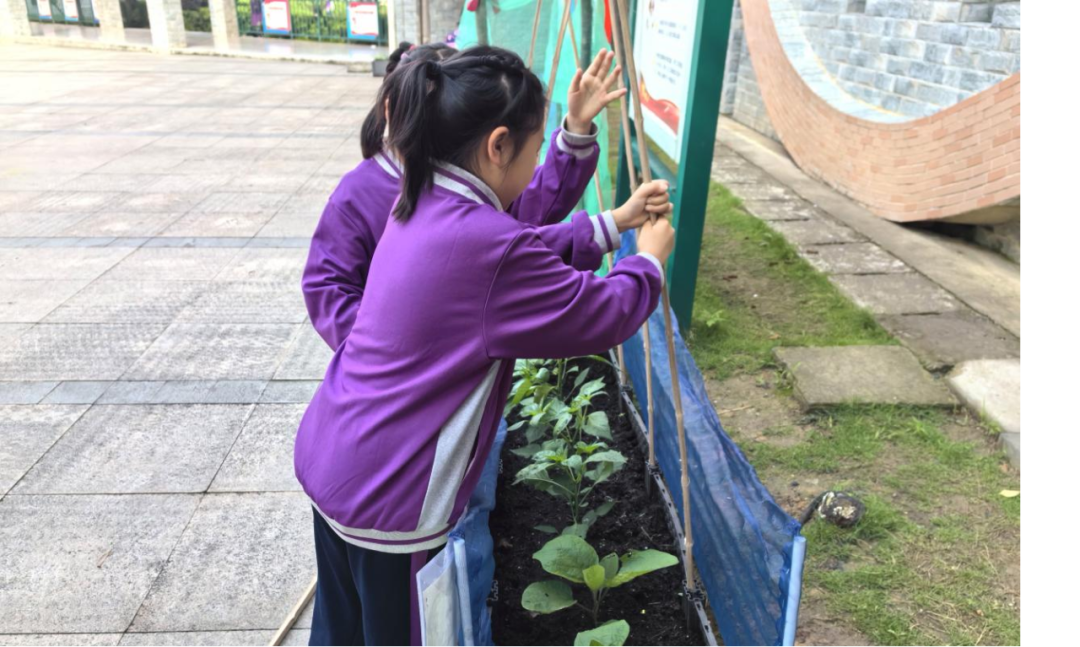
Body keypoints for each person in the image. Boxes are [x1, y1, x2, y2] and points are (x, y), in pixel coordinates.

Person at [295, 45, 676, 647]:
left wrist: (612, 223)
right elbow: (600, 311)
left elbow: (516, 256)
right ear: (498, 146)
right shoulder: (483, 240)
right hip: (393, 499)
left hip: (337, 459)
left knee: (341, 632)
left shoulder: (420, 200)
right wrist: (647, 262)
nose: (531, 167)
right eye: (532, 148)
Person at [304, 46, 630, 351]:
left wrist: (610, 221)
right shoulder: (362, 196)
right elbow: (328, 288)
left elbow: (528, 221)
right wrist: (388, 352)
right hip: (419, 378)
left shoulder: (458, 193)